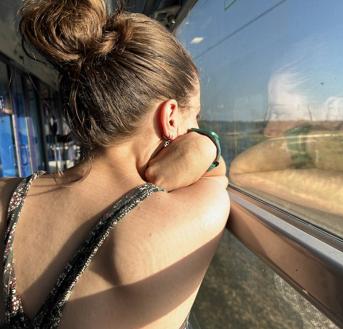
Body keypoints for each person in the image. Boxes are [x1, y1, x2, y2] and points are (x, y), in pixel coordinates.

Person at [0, 0, 230, 328]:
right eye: (195, 116)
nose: (195, 128)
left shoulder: (5, 197)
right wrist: (205, 145)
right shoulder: (193, 214)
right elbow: (219, 173)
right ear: (169, 118)